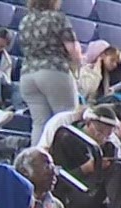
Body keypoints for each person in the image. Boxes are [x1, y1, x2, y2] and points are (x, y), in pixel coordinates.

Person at [16, 0, 82, 146]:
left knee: (39, 124)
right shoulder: (58, 18)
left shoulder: (25, 20)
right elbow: (73, 49)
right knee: (67, 120)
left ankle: (34, 162)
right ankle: (66, 161)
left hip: (28, 74)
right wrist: (79, 64)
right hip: (54, 70)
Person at [74, 41, 121, 105]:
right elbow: (85, 92)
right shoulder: (85, 69)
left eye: (117, 62)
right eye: (112, 60)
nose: (115, 65)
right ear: (102, 56)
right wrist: (96, 72)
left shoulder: (105, 74)